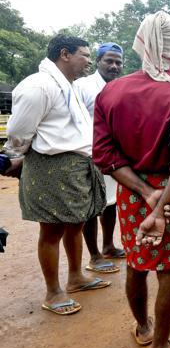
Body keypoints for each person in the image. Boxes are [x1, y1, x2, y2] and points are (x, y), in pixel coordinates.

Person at [93, 11, 170, 348]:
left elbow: (104, 156)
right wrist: (160, 201)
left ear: (141, 41)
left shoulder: (111, 92)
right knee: (169, 269)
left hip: (131, 192)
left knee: (136, 264)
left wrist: (144, 193)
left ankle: (143, 328)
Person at [6, 34, 111, 316]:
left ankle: (75, 277)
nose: (89, 61)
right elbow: (18, 133)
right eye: (85, 55)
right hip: (52, 166)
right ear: (65, 54)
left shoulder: (68, 85)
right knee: (52, 229)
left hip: (77, 165)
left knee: (76, 223)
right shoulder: (38, 86)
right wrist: (18, 160)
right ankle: (53, 292)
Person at [76, 42, 125, 274]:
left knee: (110, 203)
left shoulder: (123, 87)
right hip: (88, 155)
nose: (114, 66)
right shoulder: (83, 86)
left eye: (118, 62)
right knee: (91, 206)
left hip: (114, 155)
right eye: (109, 61)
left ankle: (108, 246)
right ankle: (94, 256)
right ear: (98, 62)